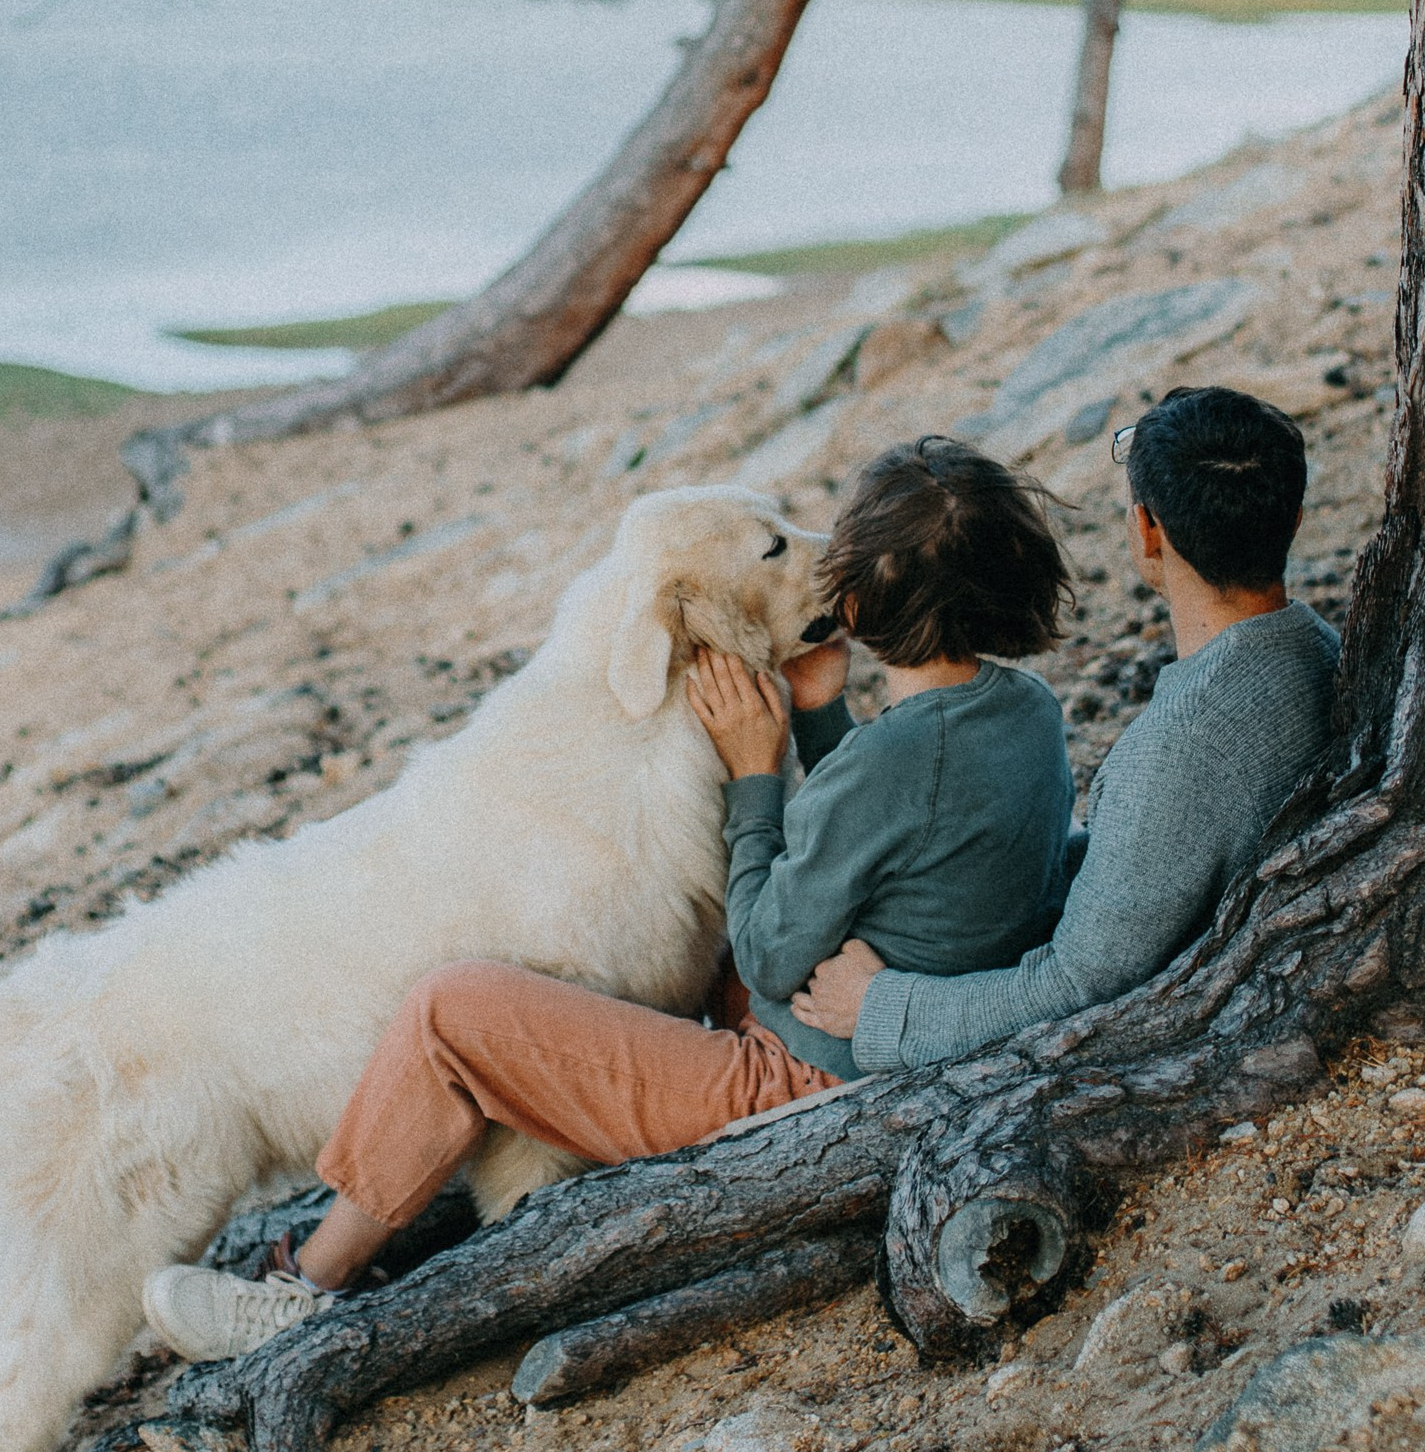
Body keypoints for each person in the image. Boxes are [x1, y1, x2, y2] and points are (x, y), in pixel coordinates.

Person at [143, 437, 1076, 1361]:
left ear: (861, 601)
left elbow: (766, 951)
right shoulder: (1025, 712)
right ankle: (474, 1159)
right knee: (561, 1001)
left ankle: (304, 1288)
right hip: (884, 1023)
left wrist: (758, 773)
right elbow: (889, 836)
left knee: (452, 1007)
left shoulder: (890, 766)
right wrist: (825, 712)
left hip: (803, 1083)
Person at [786, 385, 1337, 1071]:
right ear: (1293, 521)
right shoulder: (1318, 648)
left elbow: (1076, 987)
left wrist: (880, 1005)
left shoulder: (1181, 745)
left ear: (1147, 532)